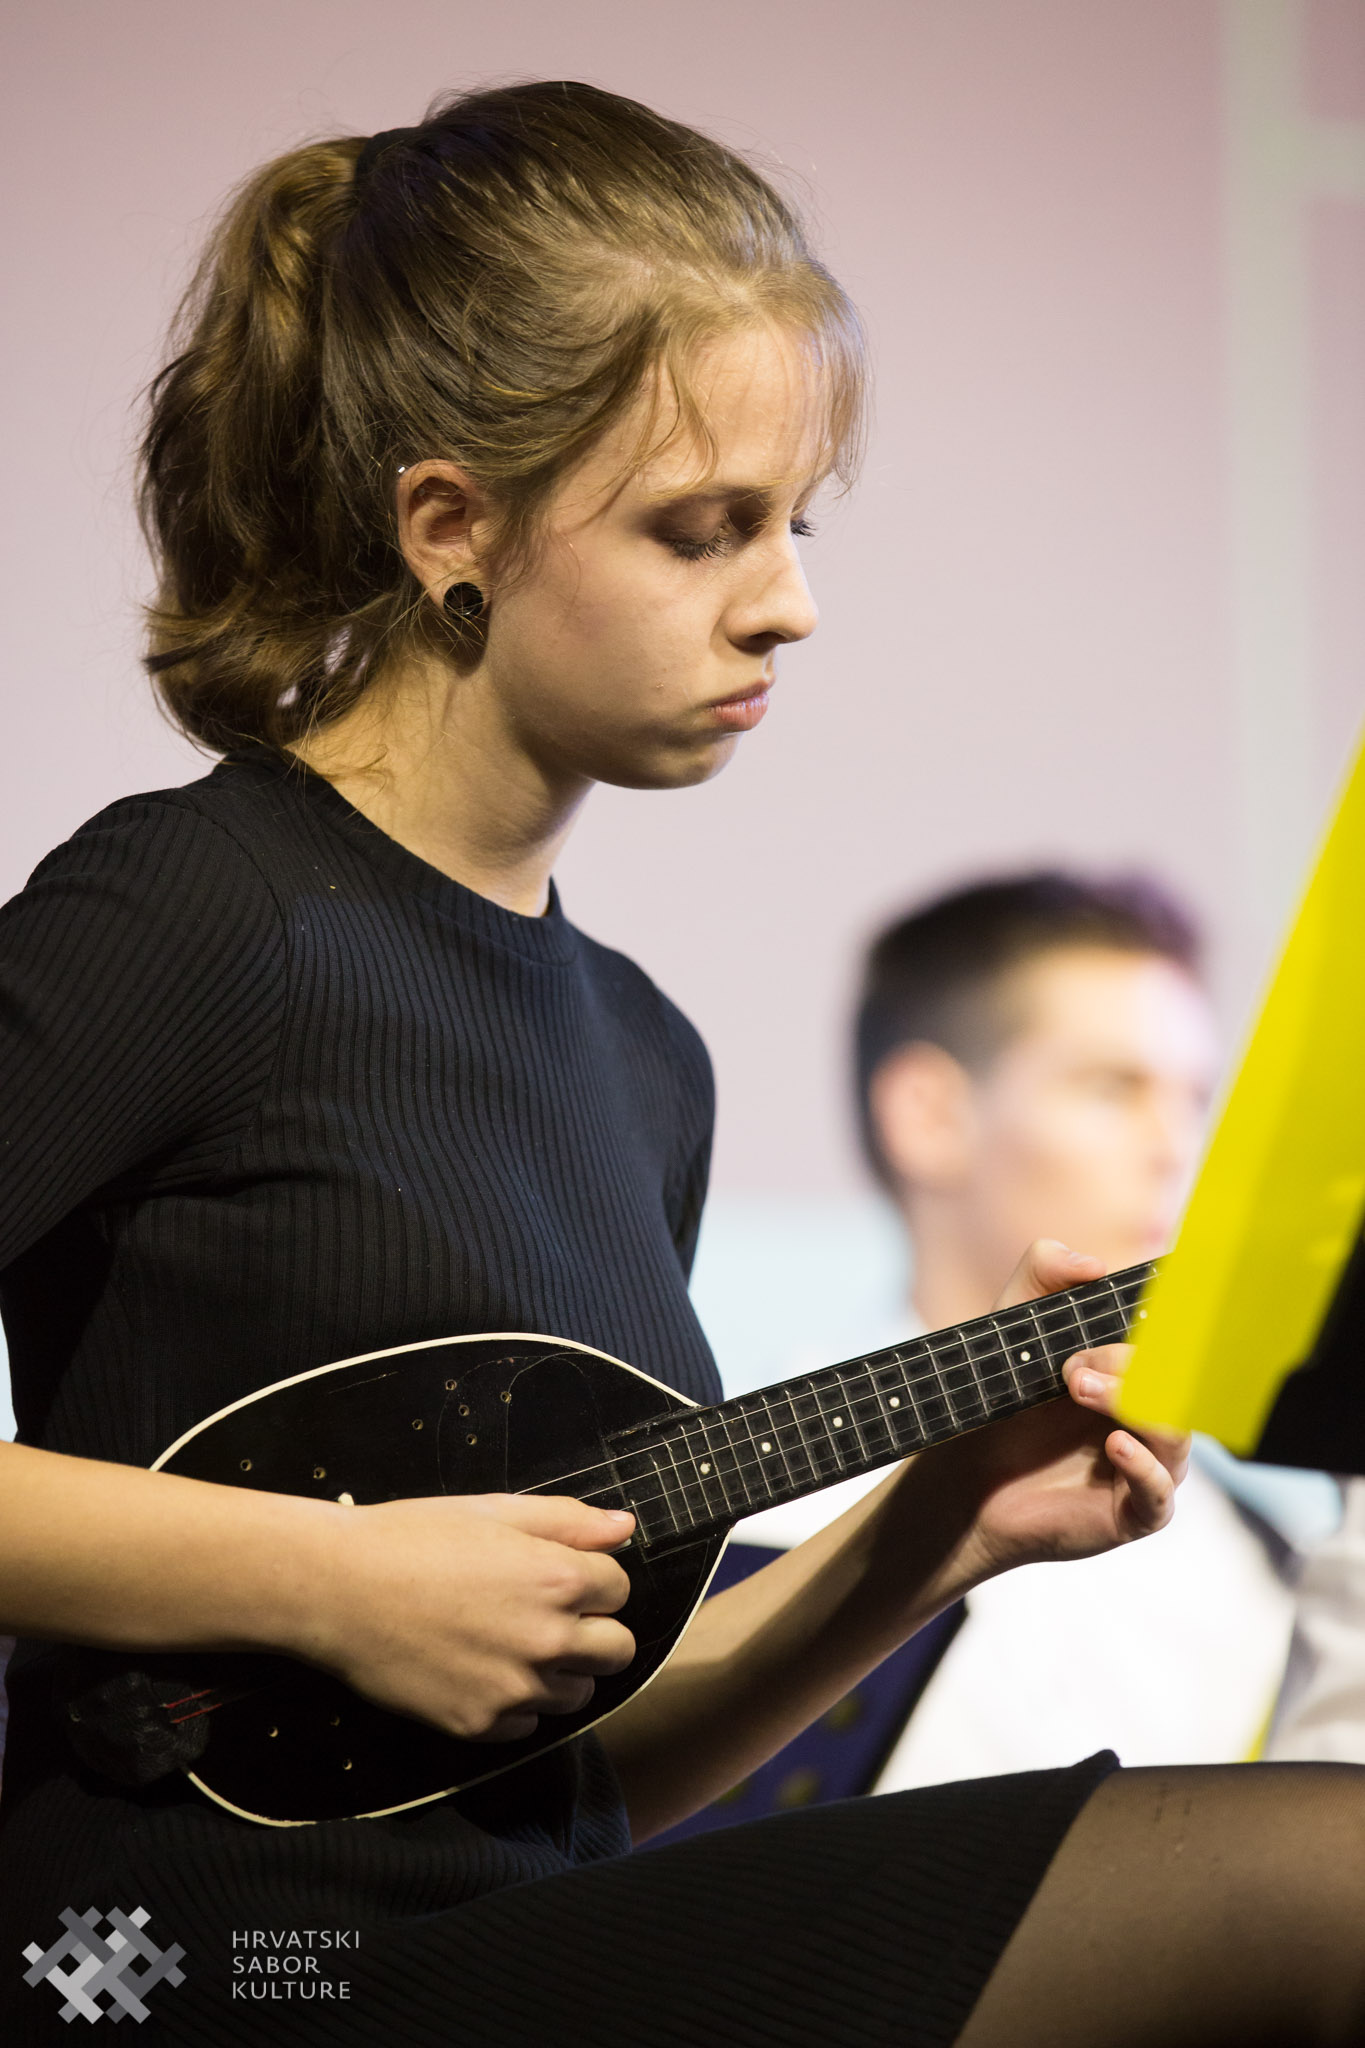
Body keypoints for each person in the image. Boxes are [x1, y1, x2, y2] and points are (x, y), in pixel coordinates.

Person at [0, 80, 1360, 2048]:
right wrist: (329, 1578)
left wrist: (934, 1533)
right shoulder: (191, 909)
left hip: (510, 1954)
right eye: (700, 529)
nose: (787, 602)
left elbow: (576, 1785)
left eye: (792, 524)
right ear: (451, 527)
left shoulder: (646, 1058)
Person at [732, 874, 1323, 1801]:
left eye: (1194, 1099)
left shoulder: (1258, 1558)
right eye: (1112, 1088)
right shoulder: (755, 1528)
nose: (1177, 1147)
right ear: (928, 1114)